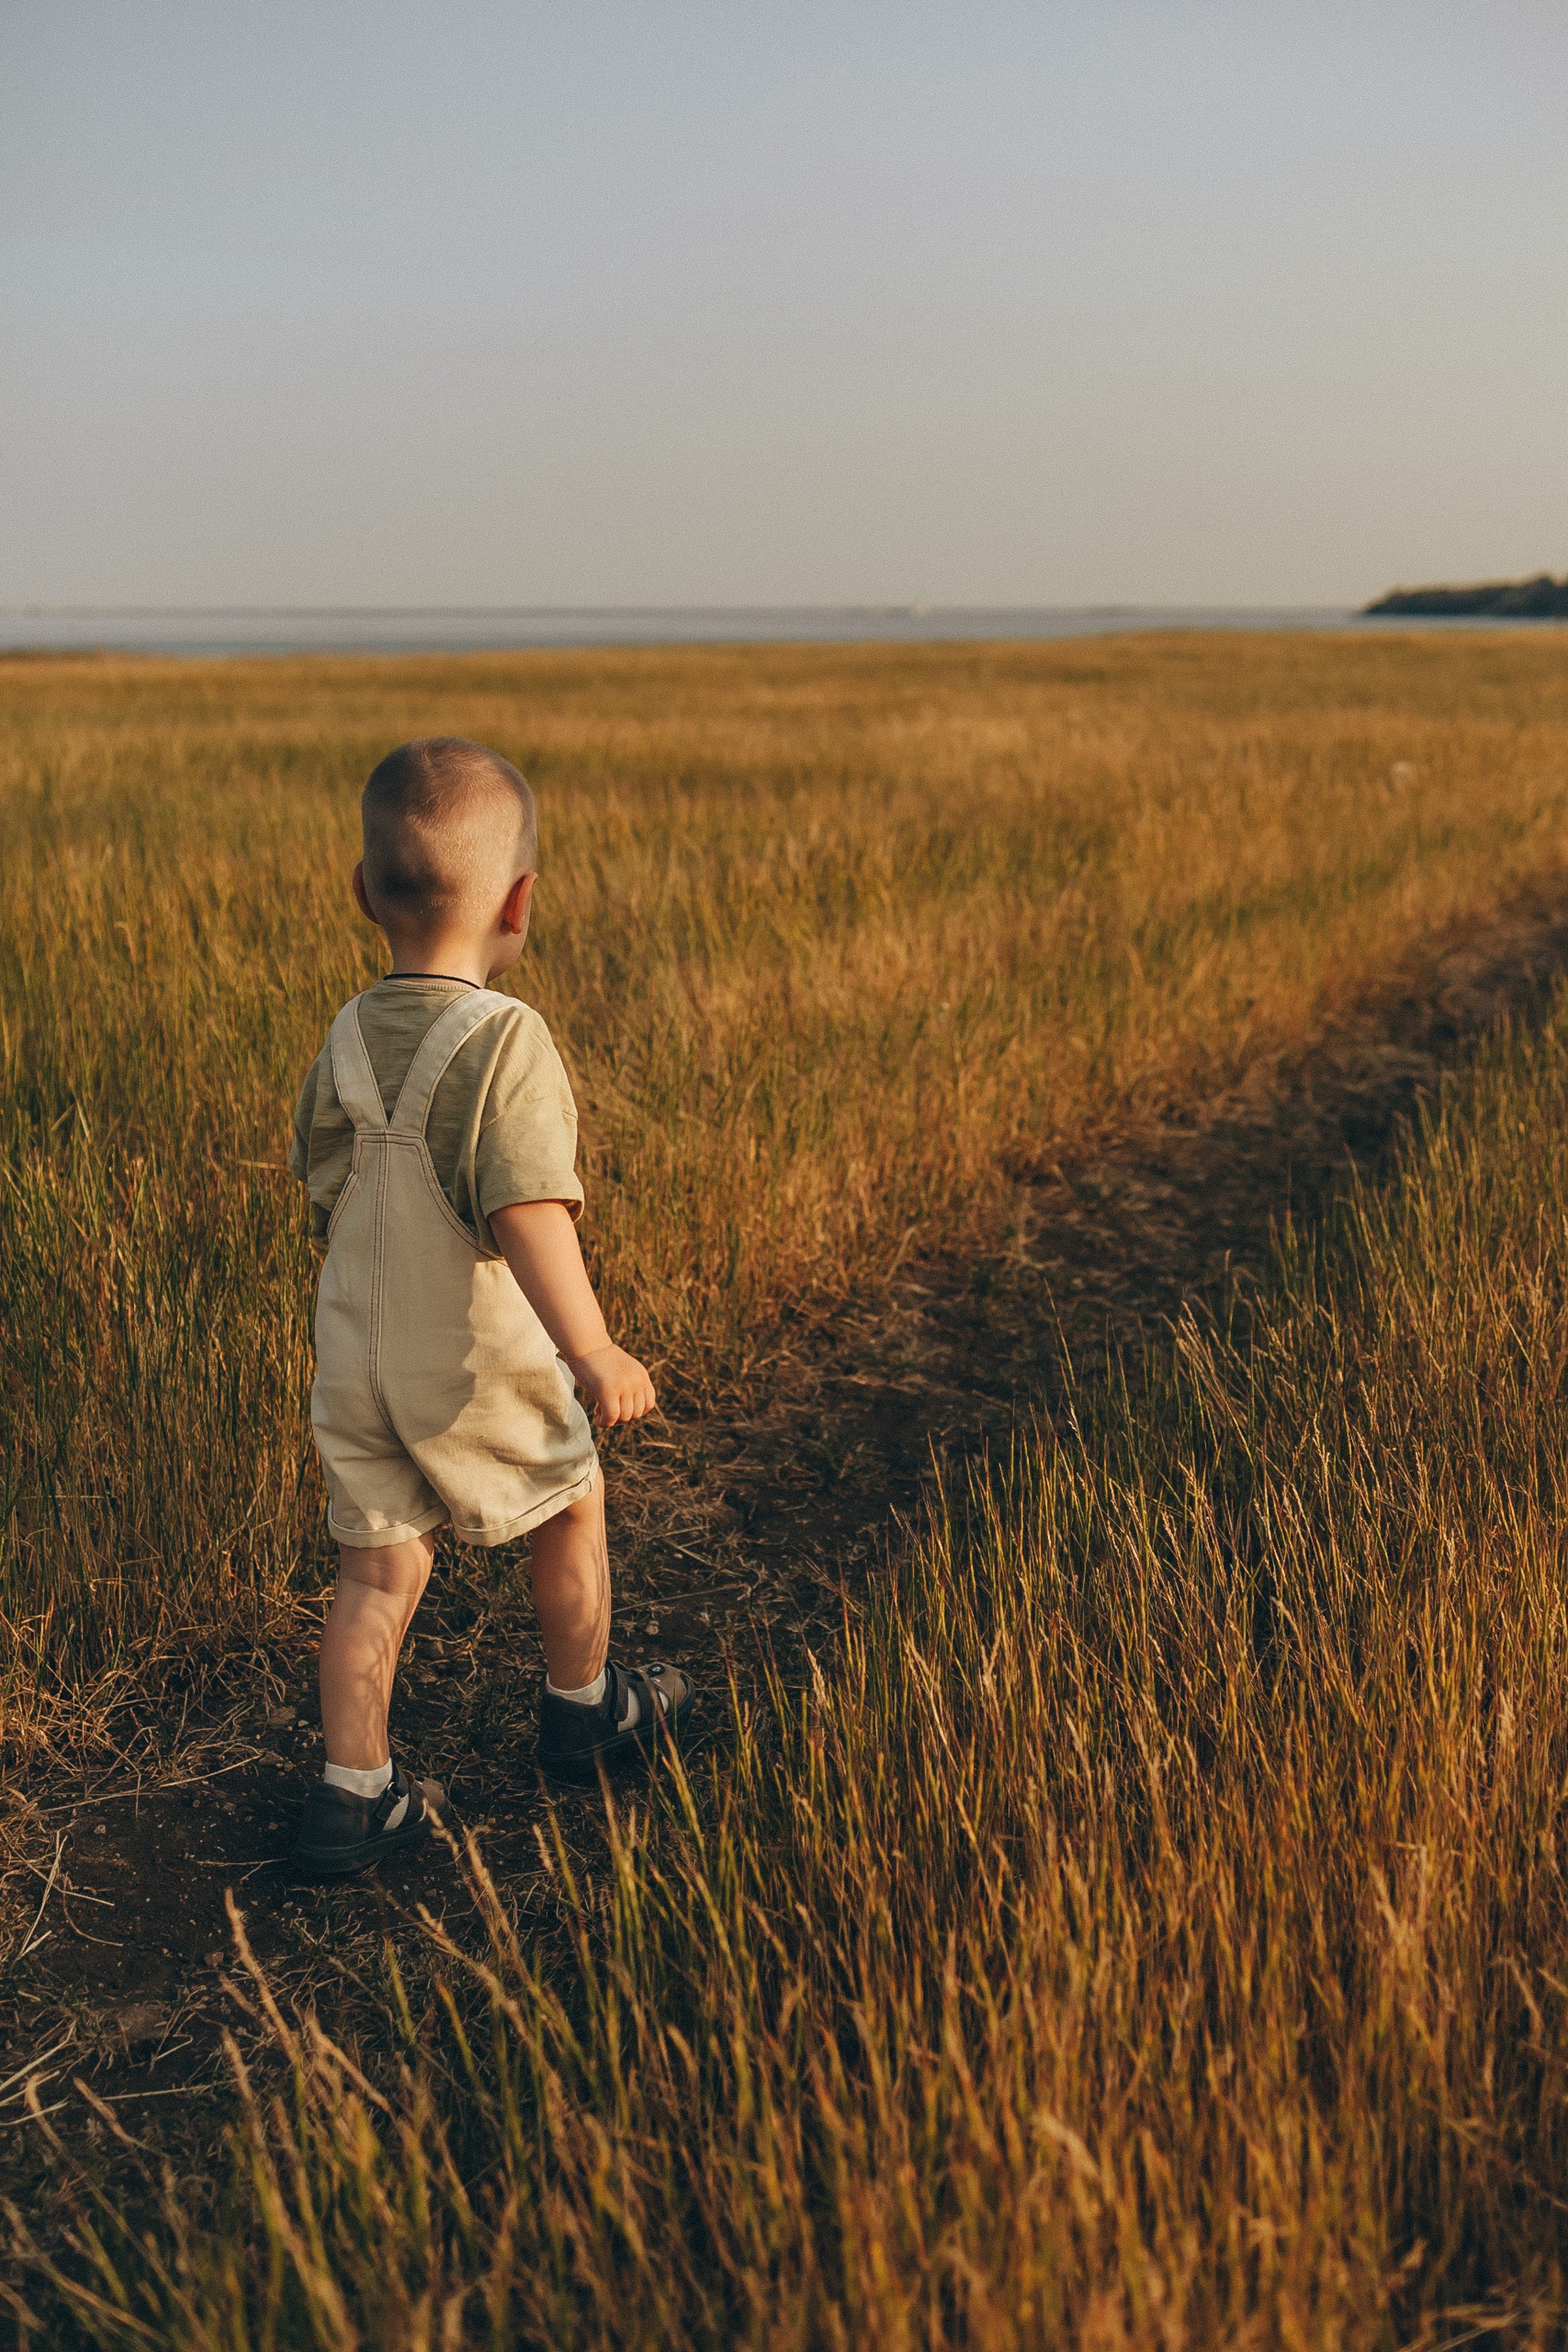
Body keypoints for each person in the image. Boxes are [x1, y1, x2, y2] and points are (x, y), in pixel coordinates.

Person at [286, 736, 693, 1877]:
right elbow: (527, 1209)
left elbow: (323, 1187)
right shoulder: (506, 1038)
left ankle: (355, 1794)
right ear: (520, 903)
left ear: (363, 892)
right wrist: (592, 1346)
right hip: (470, 1357)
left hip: (352, 1352)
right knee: (570, 1502)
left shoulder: (346, 1036)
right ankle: (585, 1707)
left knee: (377, 1571)